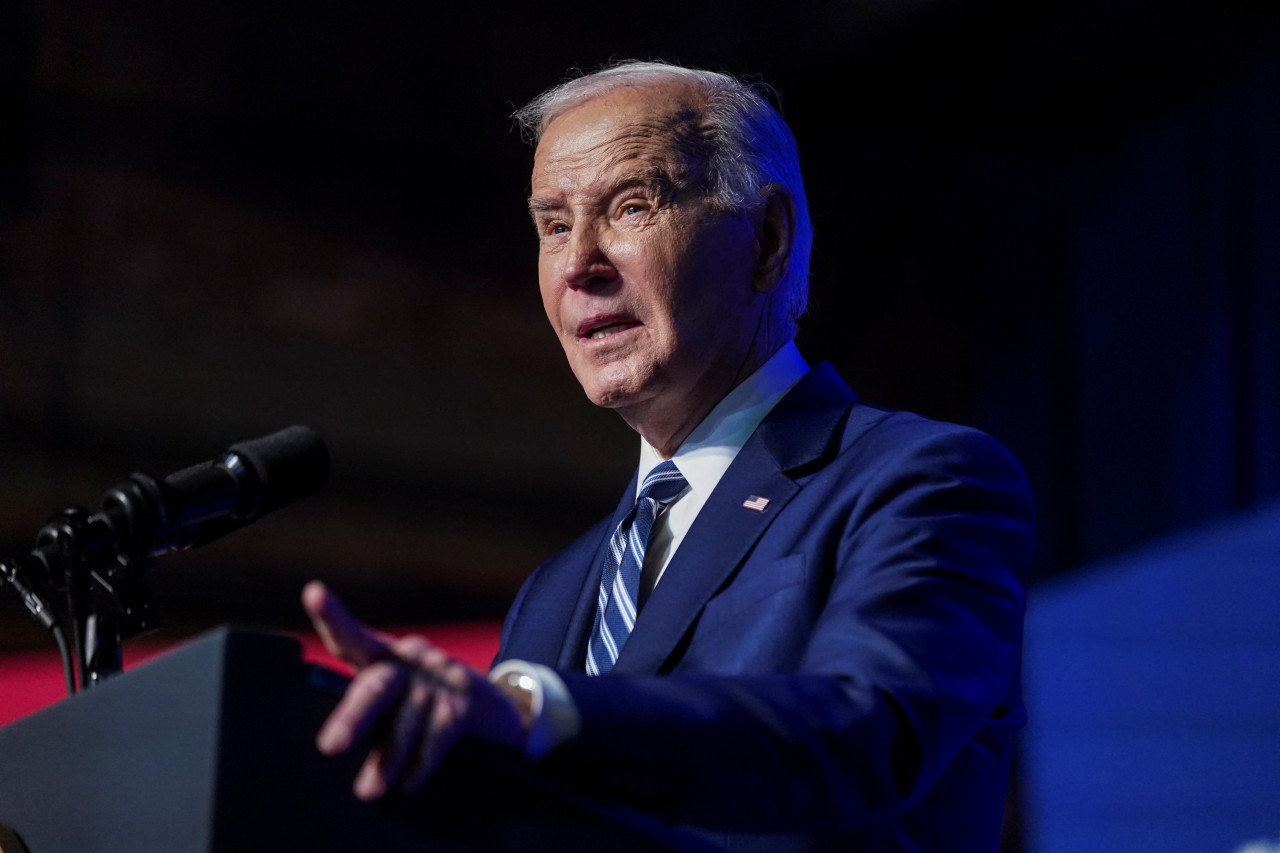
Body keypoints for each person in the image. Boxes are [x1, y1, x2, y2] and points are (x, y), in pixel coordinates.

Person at [303, 59, 1034, 852]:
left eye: (630, 206)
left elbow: (865, 729)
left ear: (766, 240)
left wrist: (538, 709)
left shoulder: (921, 479)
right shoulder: (553, 591)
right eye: (553, 225)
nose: (579, 263)